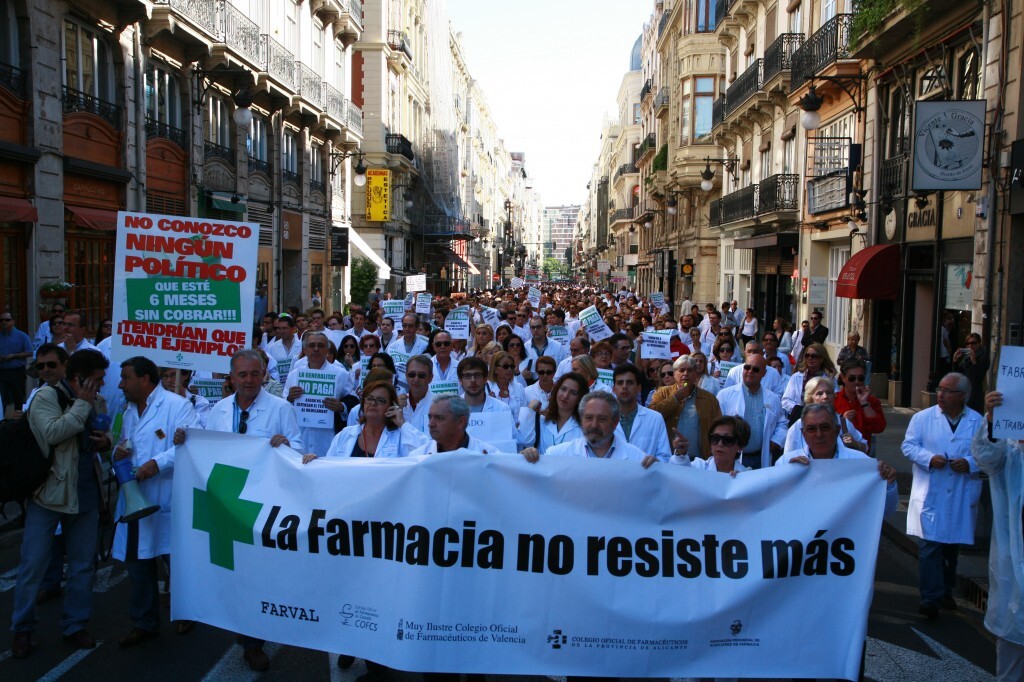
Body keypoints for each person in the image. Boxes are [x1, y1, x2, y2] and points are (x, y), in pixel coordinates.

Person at [173, 350, 302, 671]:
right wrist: (183, 439)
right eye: (241, 375)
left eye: (254, 374)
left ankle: (254, 640)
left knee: (258, 573)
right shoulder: (217, 410)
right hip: (225, 501)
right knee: (232, 570)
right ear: (231, 378)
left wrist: (286, 445)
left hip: (263, 504)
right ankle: (241, 625)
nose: (248, 381)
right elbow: (203, 446)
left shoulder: (280, 409)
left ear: (264, 375)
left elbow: (299, 451)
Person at [11, 349, 110, 659]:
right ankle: (23, 629)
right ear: (79, 378)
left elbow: (106, 434)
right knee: (32, 566)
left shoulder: (98, 400)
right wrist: (82, 402)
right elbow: (53, 432)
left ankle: (75, 624)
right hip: (49, 494)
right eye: (96, 380)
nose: (101, 385)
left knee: (83, 566)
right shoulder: (45, 398)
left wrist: (107, 441)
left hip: (86, 493)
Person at [113, 356, 199, 647]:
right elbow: (124, 445)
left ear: (145, 380)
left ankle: (187, 610)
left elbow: (190, 446)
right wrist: (119, 452)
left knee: (177, 561)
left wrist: (157, 463)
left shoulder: (178, 406)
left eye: (126, 378)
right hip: (135, 500)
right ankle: (144, 622)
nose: (120, 384)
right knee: (139, 565)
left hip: (167, 498)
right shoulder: (127, 411)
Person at [901, 372, 984, 619]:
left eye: (948, 391)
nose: (941, 395)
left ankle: (945, 590)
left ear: (963, 396)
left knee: (950, 548)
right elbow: (908, 446)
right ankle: (930, 598)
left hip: (960, 491)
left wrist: (969, 463)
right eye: (940, 389)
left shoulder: (977, 422)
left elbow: (987, 454)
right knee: (930, 546)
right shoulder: (922, 418)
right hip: (931, 492)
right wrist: (929, 458)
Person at [972, 391, 1024, 680]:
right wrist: (992, 419)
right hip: (1014, 571)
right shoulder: (1011, 448)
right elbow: (986, 457)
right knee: (1012, 657)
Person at [777, 403, 897, 514]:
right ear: (803, 434)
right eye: (811, 429)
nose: (819, 435)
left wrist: (889, 485)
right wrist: (788, 479)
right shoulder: (786, 463)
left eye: (825, 427)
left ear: (837, 430)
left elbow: (885, 511)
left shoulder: (861, 462)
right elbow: (775, 508)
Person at [305, 381, 428, 462]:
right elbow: (329, 468)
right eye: (369, 399)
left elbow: (427, 451)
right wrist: (317, 461)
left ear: (391, 406)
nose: (373, 403)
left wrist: (403, 424)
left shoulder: (400, 436)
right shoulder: (346, 435)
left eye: (380, 400)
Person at [540, 391, 657, 467]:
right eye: (589, 418)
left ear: (615, 423)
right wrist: (527, 459)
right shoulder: (556, 455)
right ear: (581, 420)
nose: (594, 425)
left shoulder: (638, 459)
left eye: (602, 419)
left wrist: (657, 470)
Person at [716, 355, 787, 469]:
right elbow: (717, 426)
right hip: (733, 458)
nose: (750, 371)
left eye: (755, 369)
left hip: (761, 457)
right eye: (747, 367)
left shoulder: (772, 398)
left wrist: (776, 441)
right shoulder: (724, 396)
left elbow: (782, 423)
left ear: (764, 373)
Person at [649, 355, 722, 462]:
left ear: (696, 374)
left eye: (690, 370)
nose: (685, 374)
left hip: (700, 461)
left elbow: (718, 428)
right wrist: (675, 399)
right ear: (674, 373)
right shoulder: (662, 393)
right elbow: (651, 416)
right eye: (681, 370)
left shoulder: (709, 399)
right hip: (670, 460)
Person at [783, 376, 867, 453]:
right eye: (819, 393)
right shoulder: (798, 426)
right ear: (810, 398)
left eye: (829, 392)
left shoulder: (843, 423)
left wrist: (855, 444)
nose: (825, 396)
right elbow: (787, 459)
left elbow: (865, 448)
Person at [611, 364, 671, 462]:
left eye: (630, 382)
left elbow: (665, 457)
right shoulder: (604, 419)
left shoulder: (655, 418)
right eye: (620, 383)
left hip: (646, 475)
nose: (624, 387)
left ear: (639, 388)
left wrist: (656, 461)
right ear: (614, 389)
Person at [518, 372, 587, 454]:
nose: (565, 396)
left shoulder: (583, 428)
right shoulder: (541, 421)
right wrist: (530, 410)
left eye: (573, 393)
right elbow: (523, 440)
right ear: (556, 390)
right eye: (563, 389)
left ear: (580, 398)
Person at [409, 395, 498, 455]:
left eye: (439, 418)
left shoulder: (489, 455)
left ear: (460, 422)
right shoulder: (418, 457)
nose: (431, 424)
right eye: (430, 417)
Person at [833, 358, 886, 453]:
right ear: (843, 378)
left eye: (860, 378)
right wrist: (842, 421)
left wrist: (864, 403)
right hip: (837, 452)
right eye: (852, 378)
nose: (856, 382)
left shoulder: (872, 401)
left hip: (862, 452)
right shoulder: (833, 399)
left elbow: (879, 428)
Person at [782, 342, 836, 420]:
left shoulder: (830, 378)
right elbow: (785, 401)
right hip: (800, 417)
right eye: (807, 356)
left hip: (824, 416)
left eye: (814, 356)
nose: (810, 358)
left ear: (822, 359)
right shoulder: (796, 377)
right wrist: (801, 410)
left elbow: (835, 400)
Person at [0, 311, 33, 410]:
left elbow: (30, 352)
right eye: (1, 320)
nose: (4, 322)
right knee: (2, 399)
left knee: (18, 398)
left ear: (13, 321)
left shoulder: (22, 336)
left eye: (7, 320)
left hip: (17, 372)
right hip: (1, 372)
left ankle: (18, 422)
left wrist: (13, 356)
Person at [954, 333, 989, 414]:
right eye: (968, 343)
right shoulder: (966, 356)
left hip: (975, 392)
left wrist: (974, 361)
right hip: (964, 389)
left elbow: (979, 376)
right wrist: (955, 361)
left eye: (973, 343)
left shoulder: (983, 356)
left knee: (972, 416)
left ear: (979, 343)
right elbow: (958, 373)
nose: (970, 346)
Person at [399, 355, 435, 432]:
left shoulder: (439, 405)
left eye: (421, 375)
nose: (416, 379)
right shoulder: (398, 404)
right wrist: (397, 408)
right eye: (412, 375)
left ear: (430, 378)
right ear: (406, 376)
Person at [267, 314, 302, 380]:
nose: (282, 331)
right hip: (278, 387)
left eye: (285, 328)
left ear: (293, 329)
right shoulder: (271, 348)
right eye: (279, 328)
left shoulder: (302, 346)